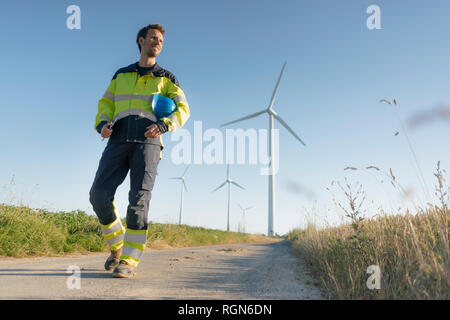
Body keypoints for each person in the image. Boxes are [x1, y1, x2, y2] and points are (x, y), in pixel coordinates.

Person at [89, 24, 190, 278]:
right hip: (118, 138)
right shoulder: (121, 74)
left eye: (161, 41)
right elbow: (106, 103)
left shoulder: (167, 78)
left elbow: (183, 109)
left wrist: (165, 124)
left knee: (138, 200)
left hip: (148, 142)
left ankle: (130, 260)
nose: (158, 42)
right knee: (98, 194)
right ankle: (117, 245)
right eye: (153, 38)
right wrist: (102, 123)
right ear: (141, 40)